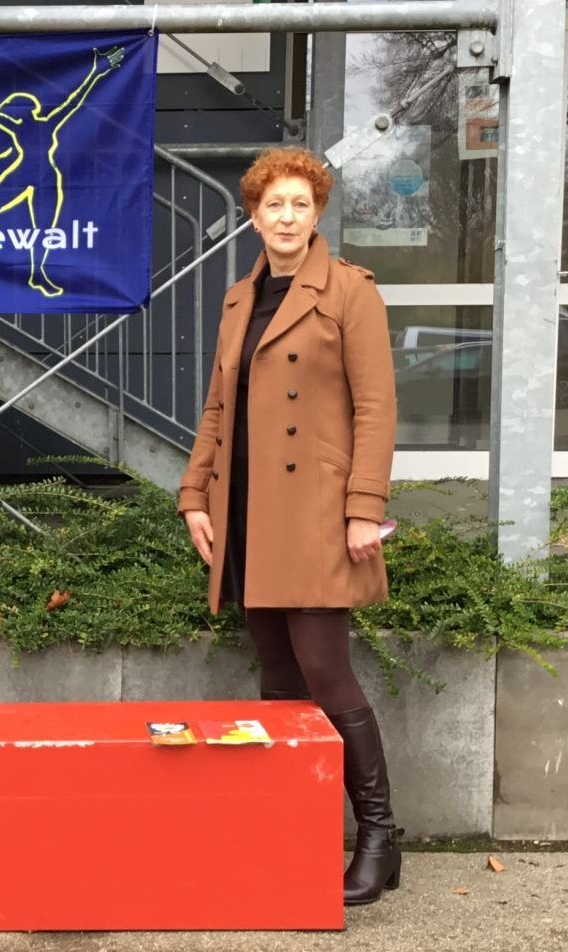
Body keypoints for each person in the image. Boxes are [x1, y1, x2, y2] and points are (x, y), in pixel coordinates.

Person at [176, 147, 401, 905]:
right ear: (253, 215)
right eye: (274, 204)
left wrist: (365, 507)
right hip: (246, 513)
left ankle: (380, 837)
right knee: (276, 679)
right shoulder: (240, 298)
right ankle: (292, 828)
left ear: (318, 214)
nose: (287, 217)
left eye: (301, 204)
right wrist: (194, 494)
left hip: (314, 515)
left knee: (326, 675)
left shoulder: (350, 292)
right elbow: (217, 409)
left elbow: (375, 408)